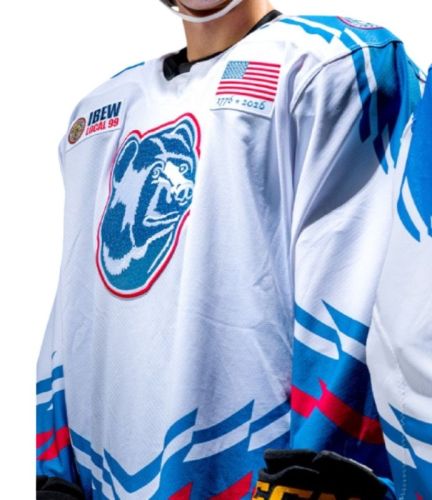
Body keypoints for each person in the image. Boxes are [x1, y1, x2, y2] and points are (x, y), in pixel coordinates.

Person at [36, 1, 427, 498]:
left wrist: (318, 477)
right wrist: (50, 471)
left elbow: (360, 299)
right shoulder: (99, 114)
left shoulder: (331, 65)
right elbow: (72, 312)